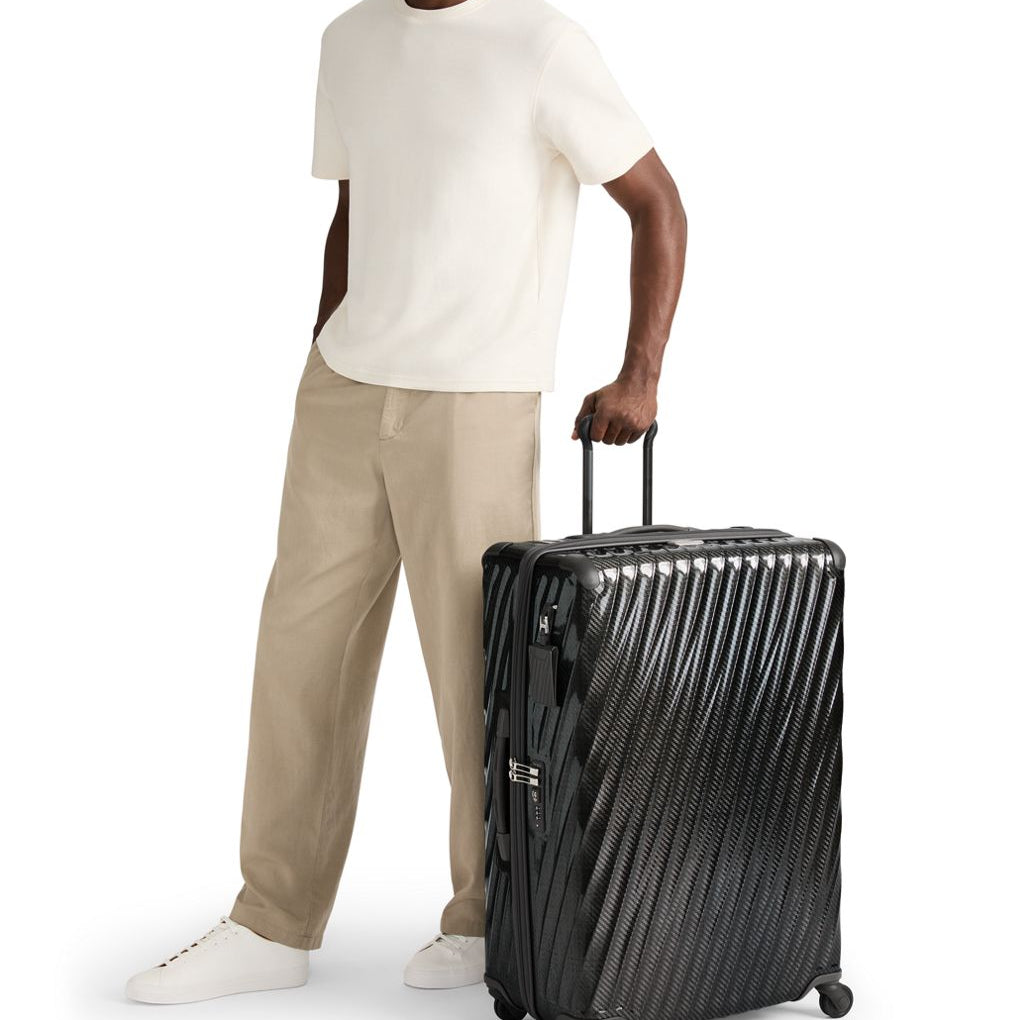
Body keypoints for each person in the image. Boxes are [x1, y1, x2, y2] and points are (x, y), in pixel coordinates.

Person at [125, 0, 685, 1004]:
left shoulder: (542, 44)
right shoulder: (346, 41)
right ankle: (273, 920)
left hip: (476, 394)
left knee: (481, 668)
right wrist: (322, 348)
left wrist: (640, 375)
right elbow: (358, 210)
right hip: (346, 387)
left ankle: (488, 917)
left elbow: (658, 204)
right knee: (299, 651)